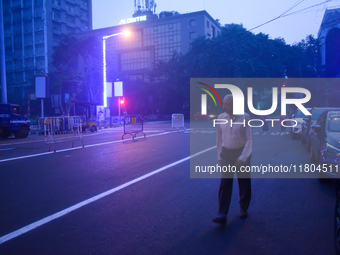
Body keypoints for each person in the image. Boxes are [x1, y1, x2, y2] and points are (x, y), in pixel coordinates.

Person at [213, 94, 253, 225]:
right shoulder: (220, 118)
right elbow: (219, 139)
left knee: (244, 182)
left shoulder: (245, 117)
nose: (224, 106)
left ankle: (243, 208)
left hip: (241, 153)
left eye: (227, 104)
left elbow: (249, 139)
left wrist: (243, 157)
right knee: (225, 182)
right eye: (224, 103)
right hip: (226, 154)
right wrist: (220, 155)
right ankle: (222, 213)